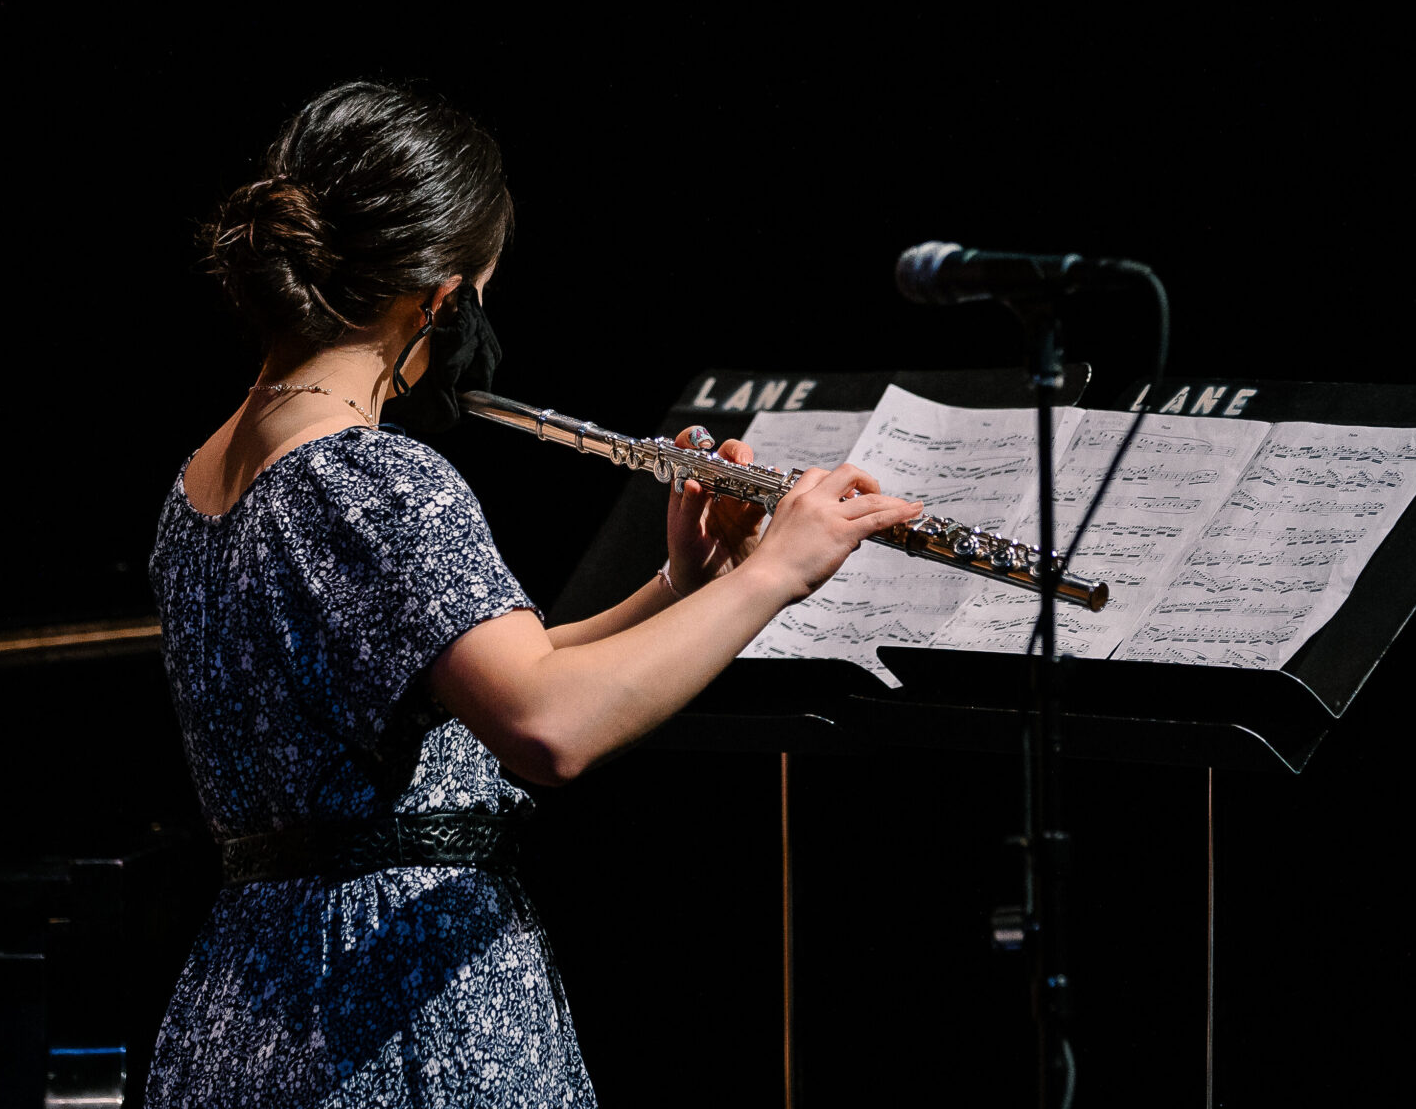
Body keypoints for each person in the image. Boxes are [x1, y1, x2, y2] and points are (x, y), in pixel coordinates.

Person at [143, 81, 921, 1107]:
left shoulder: (206, 473)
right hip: (396, 1002)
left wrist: (685, 587)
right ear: (441, 292)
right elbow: (548, 725)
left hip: (259, 993)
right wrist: (782, 569)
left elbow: (498, 672)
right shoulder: (373, 478)